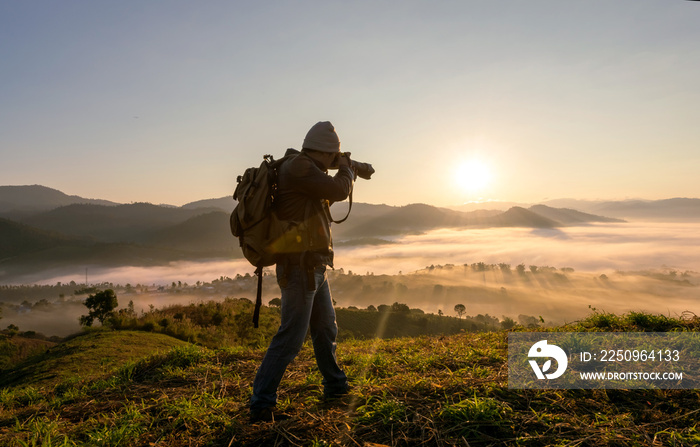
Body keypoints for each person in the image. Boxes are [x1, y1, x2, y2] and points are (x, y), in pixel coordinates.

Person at [249, 121, 355, 423]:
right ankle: (261, 404)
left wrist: (345, 164)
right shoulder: (300, 168)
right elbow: (338, 189)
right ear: (325, 153)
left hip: (312, 263)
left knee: (325, 328)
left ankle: (335, 387)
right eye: (333, 157)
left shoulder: (304, 166)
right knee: (291, 337)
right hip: (300, 266)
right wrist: (347, 168)